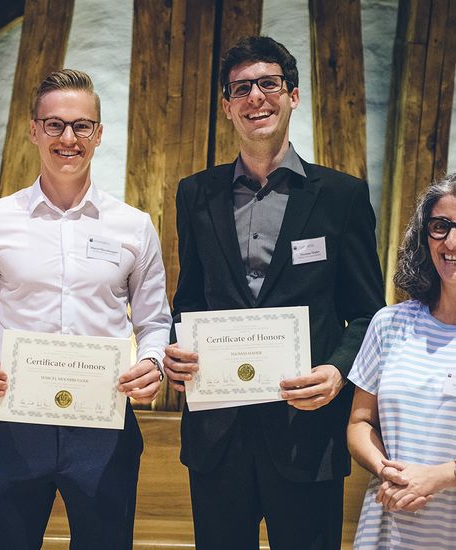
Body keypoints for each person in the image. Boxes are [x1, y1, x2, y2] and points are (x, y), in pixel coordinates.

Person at [163, 36, 385, 549]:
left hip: (306, 431)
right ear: (226, 106)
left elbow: (368, 313)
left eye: (269, 84)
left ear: (293, 96)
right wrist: (177, 350)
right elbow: (191, 299)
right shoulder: (195, 193)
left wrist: (337, 371)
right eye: (242, 89)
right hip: (218, 434)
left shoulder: (341, 197)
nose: (255, 98)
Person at [0, 69, 171, 550]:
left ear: (99, 134)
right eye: (54, 125)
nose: (68, 138)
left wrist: (152, 363)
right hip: (14, 423)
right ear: (33, 130)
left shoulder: (134, 226)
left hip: (104, 427)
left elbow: (155, 321)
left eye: (82, 126)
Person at [347, 176, 456, 548]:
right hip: (387, 529)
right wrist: (387, 472)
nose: (451, 243)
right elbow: (360, 423)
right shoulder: (389, 324)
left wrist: (438, 477)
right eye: (441, 227)